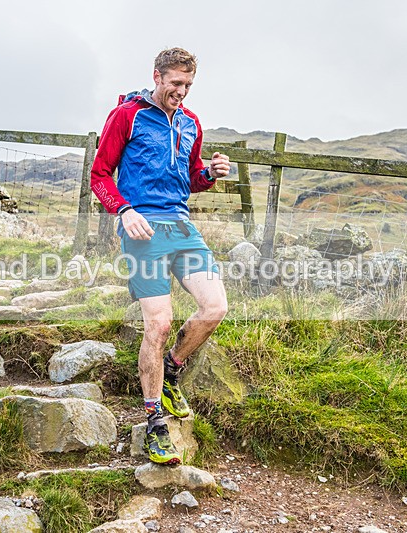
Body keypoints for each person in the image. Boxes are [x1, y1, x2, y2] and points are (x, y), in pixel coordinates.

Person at [91, 48, 230, 465]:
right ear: (157, 76)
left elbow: (189, 179)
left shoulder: (191, 123)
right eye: (175, 84)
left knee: (215, 307)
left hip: (181, 227)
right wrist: (124, 211)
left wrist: (209, 174)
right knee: (160, 322)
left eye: (188, 86)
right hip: (143, 228)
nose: (181, 93)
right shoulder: (127, 116)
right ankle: (153, 422)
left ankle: (171, 370)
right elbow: (99, 175)